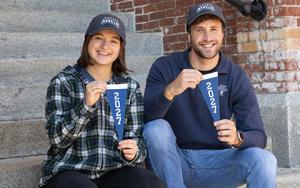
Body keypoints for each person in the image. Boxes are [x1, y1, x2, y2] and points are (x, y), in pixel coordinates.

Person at [143, 3, 277, 188]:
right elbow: (147, 119)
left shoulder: (235, 75)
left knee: (265, 160)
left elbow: (258, 136)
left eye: (214, 29)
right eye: (200, 30)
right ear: (189, 34)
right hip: (174, 161)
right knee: (155, 128)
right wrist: (170, 90)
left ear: (223, 34)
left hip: (218, 163)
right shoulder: (165, 67)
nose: (207, 37)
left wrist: (238, 138)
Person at [39, 13, 165, 188]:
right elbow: (57, 139)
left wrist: (134, 152)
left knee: (151, 183)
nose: (105, 46)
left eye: (114, 40)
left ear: (120, 48)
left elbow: (137, 140)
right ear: (87, 42)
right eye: (99, 38)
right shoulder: (64, 81)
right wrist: (85, 106)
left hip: (113, 171)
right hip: (70, 170)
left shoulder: (129, 86)